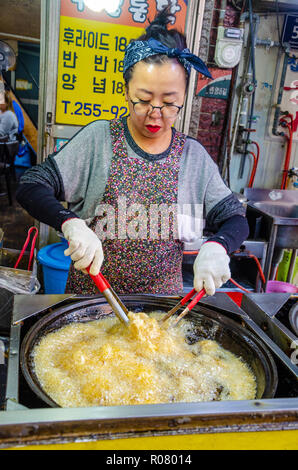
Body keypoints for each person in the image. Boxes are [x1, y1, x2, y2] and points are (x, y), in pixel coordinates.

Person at [16, 9, 249, 297]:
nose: (155, 114)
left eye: (169, 103)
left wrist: (219, 245)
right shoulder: (99, 140)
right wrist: (70, 223)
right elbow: (30, 185)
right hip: (90, 304)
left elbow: (235, 218)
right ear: (126, 91)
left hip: (162, 312)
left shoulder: (193, 157)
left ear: (184, 97)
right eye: (143, 100)